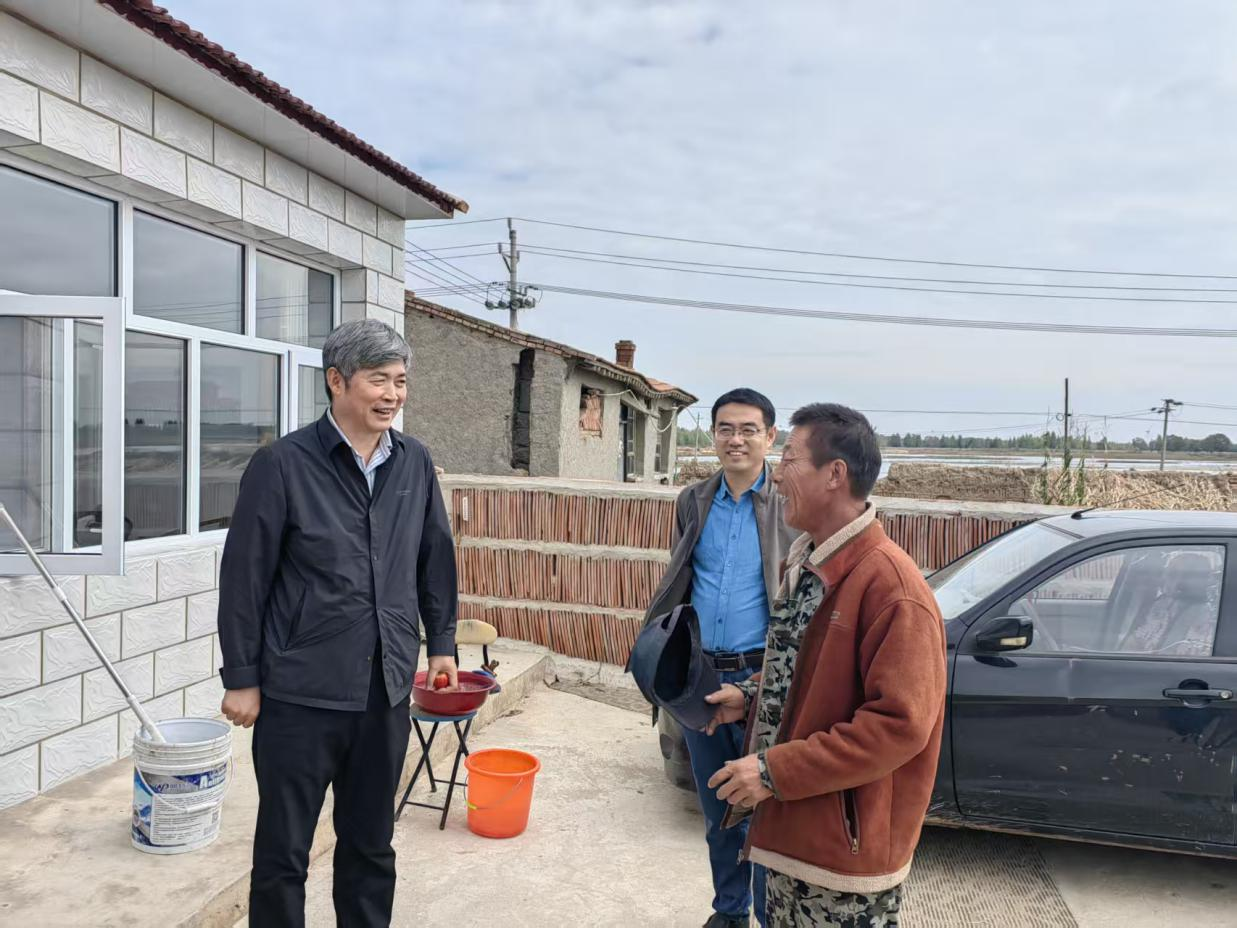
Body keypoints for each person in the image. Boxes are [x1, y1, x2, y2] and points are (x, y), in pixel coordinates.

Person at [216, 319, 458, 928]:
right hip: (299, 692)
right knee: (283, 852)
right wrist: (242, 677)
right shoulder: (282, 464)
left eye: (400, 381)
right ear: (337, 380)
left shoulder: (413, 461)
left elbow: (434, 557)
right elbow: (245, 578)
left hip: (384, 689)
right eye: (379, 380)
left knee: (371, 844)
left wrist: (442, 644)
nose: (393, 395)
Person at [705, 403, 946, 927]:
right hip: (790, 833)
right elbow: (804, 670)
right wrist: (750, 697)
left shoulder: (892, 588)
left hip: (841, 861)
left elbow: (899, 726)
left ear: (834, 474)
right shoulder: (809, 560)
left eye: (789, 459)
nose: (776, 475)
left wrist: (773, 771)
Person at [643, 388, 794, 928]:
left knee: (764, 807)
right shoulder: (694, 500)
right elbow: (681, 576)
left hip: (764, 674)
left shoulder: (789, 504)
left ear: (770, 437)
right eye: (726, 428)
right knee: (717, 805)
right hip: (703, 674)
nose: (736, 439)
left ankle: (768, 913)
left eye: (749, 429)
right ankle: (729, 911)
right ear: (713, 435)